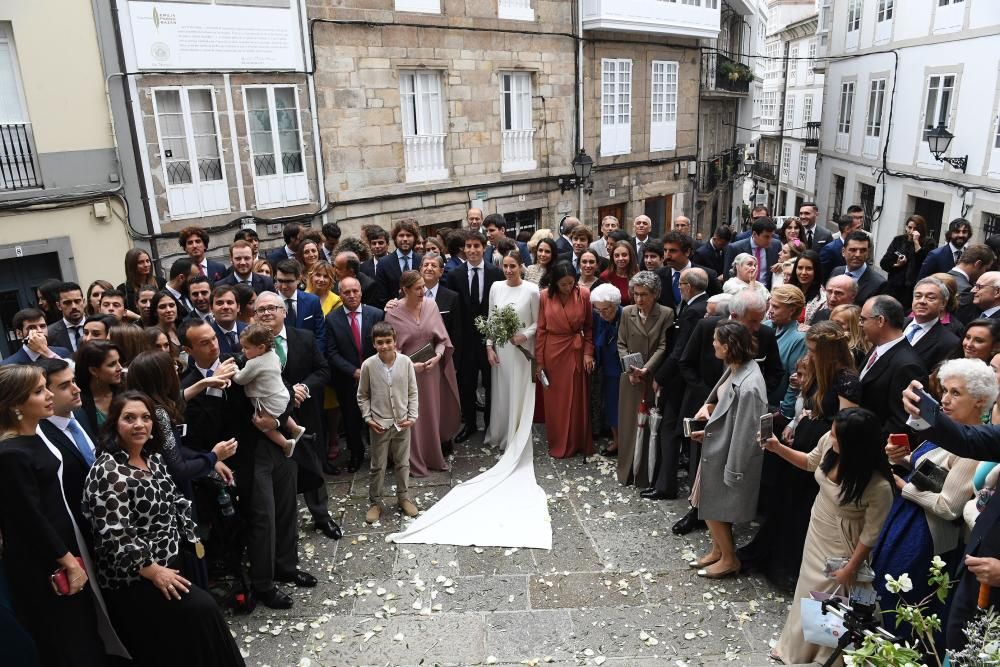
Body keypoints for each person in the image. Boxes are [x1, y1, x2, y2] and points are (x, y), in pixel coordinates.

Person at [82, 392, 245, 666]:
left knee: (190, 640)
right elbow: (116, 535)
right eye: (129, 418)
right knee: (205, 612)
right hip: (138, 578)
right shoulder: (108, 472)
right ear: (114, 424)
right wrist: (154, 571)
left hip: (173, 560)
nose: (139, 425)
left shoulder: (152, 457)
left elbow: (173, 499)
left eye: (145, 418)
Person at [0, 365, 118, 666]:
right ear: (15, 404)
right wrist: (68, 561)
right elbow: (29, 518)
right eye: (39, 391)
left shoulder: (33, 435)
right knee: (68, 637)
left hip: (64, 546)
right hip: (45, 562)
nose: (49, 395)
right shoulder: (11, 454)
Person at [873, 358, 993, 648]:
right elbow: (929, 474)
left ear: (979, 401)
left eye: (956, 393)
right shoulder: (945, 431)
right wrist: (900, 456)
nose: (946, 400)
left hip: (927, 537)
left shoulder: (974, 446)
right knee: (883, 586)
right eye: (945, 391)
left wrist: (902, 485)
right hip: (906, 520)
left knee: (903, 600)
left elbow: (948, 506)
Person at [765, 408, 894, 665]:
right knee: (806, 588)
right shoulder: (829, 444)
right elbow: (811, 462)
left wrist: (851, 567)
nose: (830, 438)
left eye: (836, 436)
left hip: (844, 540)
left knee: (829, 598)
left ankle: (825, 655)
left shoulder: (878, 486)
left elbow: (871, 534)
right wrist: (777, 448)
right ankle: (794, 647)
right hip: (818, 525)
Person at [740, 321, 861, 591]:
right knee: (785, 499)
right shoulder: (821, 372)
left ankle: (788, 565)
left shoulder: (847, 380)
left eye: (815, 351)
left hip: (822, 445)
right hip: (806, 434)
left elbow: (845, 423)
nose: (811, 356)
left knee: (800, 507)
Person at [687, 320, 768, 579]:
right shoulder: (734, 368)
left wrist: (733, 470)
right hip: (717, 446)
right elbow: (724, 407)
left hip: (728, 454)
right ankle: (718, 550)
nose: (712, 344)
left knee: (714, 505)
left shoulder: (750, 385)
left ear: (728, 346)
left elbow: (745, 432)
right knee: (708, 502)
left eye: (716, 340)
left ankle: (729, 559)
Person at [386, 270, 461, 476]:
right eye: (418, 288)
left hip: (431, 371)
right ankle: (414, 459)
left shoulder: (431, 305)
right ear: (405, 290)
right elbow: (391, 349)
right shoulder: (392, 313)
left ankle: (434, 456)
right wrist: (410, 366)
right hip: (407, 373)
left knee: (432, 413)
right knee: (414, 417)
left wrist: (437, 356)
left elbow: (442, 340)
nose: (423, 291)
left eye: (423, 286)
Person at [648, 267, 711, 499]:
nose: (679, 288)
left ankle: (665, 485)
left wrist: (659, 377)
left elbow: (680, 351)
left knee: (670, 430)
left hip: (682, 380)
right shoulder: (705, 305)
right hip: (696, 380)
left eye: (681, 284)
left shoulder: (692, 311)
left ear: (689, 286)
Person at [357, 322, 419, 523]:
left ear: (395, 341)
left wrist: (412, 415)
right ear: (374, 344)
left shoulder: (406, 362)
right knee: (378, 465)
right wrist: (368, 418)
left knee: (403, 462)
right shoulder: (368, 365)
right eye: (379, 342)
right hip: (379, 424)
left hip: (402, 422)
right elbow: (362, 395)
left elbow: (412, 391)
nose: (384, 346)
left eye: (388, 341)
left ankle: (404, 497)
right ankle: (375, 502)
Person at [445, 231, 503, 443]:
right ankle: (469, 423)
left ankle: (490, 423)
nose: (472, 250)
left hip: (489, 339)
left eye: (476, 246)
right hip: (465, 340)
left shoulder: (496, 273)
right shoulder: (454, 275)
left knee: (490, 383)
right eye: (468, 246)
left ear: (484, 247)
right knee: (467, 384)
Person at [615, 271, 672, 486]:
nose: (639, 299)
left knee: (651, 427)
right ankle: (627, 471)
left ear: (655, 294)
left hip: (653, 377)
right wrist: (631, 369)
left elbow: (663, 346)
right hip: (630, 378)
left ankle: (646, 475)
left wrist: (646, 369)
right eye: (636, 294)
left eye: (644, 295)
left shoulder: (666, 313)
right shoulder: (627, 312)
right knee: (629, 425)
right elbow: (621, 343)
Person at [325, 277, 385, 473]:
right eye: (346, 292)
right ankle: (356, 454)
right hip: (347, 379)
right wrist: (353, 371)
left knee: (378, 416)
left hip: (376, 377)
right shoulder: (332, 320)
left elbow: (383, 344)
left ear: (361, 291)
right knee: (351, 420)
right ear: (340, 294)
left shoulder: (376, 314)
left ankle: (381, 454)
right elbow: (331, 352)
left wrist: (370, 370)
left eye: (355, 291)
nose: (351, 295)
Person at [536, 262, 595, 459]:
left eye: (571, 283)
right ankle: (558, 441)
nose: (568, 287)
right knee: (556, 400)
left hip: (576, 351)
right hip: (553, 351)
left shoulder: (584, 294)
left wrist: (588, 352)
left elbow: (588, 327)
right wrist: (539, 361)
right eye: (563, 284)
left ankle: (577, 442)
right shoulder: (544, 296)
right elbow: (541, 330)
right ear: (555, 283)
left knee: (577, 398)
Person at [232, 323, 306, 456]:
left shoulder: (253, 363)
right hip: (282, 396)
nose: (242, 351)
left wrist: (234, 370)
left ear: (260, 347)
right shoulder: (273, 354)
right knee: (281, 412)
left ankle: (286, 444)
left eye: (246, 347)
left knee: (262, 425)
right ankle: (295, 428)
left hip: (268, 402)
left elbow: (240, 379)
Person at [859, 295, 928, 437]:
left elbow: (901, 421)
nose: (860, 324)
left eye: (863, 319)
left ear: (880, 321)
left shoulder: (908, 366)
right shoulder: (877, 347)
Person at [591, 284, 623, 458]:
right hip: (605, 364)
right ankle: (616, 440)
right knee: (610, 405)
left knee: (622, 406)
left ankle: (625, 441)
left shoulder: (625, 315)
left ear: (615, 304)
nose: (602, 314)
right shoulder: (598, 315)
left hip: (621, 365)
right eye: (598, 310)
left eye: (606, 309)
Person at [906, 276, 962, 371]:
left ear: (943, 304)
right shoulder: (896, 324)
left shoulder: (950, 343)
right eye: (918, 296)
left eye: (931, 298)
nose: (922, 301)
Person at [881, 214, 933, 310]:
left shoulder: (928, 243)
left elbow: (925, 262)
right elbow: (884, 262)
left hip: (913, 290)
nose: (912, 231)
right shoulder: (898, 240)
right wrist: (897, 264)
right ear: (906, 227)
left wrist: (916, 242)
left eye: (915, 228)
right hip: (894, 287)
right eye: (909, 227)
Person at [274, 259, 325, 351]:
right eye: (280, 281)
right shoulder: (268, 303)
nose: (284, 286)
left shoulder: (312, 301)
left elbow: (320, 335)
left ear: (299, 279)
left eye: (289, 281)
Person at [74, 341, 122, 433]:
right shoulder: (78, 401)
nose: (119, 367)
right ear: (94, 370)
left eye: (119, 361)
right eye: (112, 364)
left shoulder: (126, 390)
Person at [830, 230, 887, 306]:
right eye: (853, 250)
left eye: (863, 250)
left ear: (868, 253)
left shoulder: (879, 284)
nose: (858, 254)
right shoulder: (836, 272)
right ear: (843, 252)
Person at [723, 217, 781, 289]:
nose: (770, 240)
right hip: (742, 294)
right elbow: (728, 276)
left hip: (767, 294)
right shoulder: (735, 248)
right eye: (766, 237)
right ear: (754, 234)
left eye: (771, 236)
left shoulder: (776, 245)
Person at [1, 308, 71, 365]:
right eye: (31, 328)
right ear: (19, 333)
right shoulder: (9, 365)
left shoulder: (63, 352)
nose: (39, 331)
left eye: (42, 326)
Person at [118, 248, 165, 313]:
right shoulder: (123, 289)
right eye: (140, 262)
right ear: (132, 265)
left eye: (147, 261)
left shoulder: (161, 282)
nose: (146, 265)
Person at [46, 281, 87, 353]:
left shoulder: (98, 326)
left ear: (83, 302)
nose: (74, 306)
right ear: (59, 306)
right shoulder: (49, 334)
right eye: (67, 303)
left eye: (77, 301)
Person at [787, 250, 826, 326]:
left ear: (816, 271)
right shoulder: (787, 290)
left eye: (809, 268)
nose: (803, 272)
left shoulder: (822, 300)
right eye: (800, 268)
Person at [819, 213, 862, 278]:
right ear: (847, 229)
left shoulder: (861, 248)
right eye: (858, 228)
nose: (861, 231)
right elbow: (823, 276)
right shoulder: (830, 249)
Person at [830, 303, 871, 368]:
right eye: (831, 322)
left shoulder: (854, 352)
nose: (831, 326)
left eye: (838, 323)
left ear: (853, 327)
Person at [599, 240, 639, 306]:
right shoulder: (605, 276)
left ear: (630, 256)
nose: (620, 258)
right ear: (612, 257)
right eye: (617, 255)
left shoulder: (637, 276)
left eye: (624, 255)